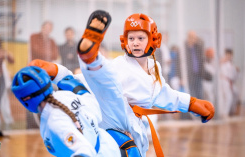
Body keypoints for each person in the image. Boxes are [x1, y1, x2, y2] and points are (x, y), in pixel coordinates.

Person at [32, 10, 215, 157]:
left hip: (131, 126)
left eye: (140, 38)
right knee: (106, 82)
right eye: (131, 38)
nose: (135, 43)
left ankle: (90, 59)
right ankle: (91, 58)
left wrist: (192, 103)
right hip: (111, 117)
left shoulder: (154, 66)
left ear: (153, 40)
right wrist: (56, 72)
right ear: (124, 41)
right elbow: (91, 82)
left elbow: (164, 94)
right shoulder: (120, 65)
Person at [11, 66, 121, 157]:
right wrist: (80, 89)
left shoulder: (55, 122)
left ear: (26, 100)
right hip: (108, 147)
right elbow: (94, 109)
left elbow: (84, 151)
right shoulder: (66, 95)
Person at [219, 49, 239, 119]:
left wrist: (236, 71)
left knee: (236, 93)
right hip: (224, 81)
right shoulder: (222, 61)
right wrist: (222, 60)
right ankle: (224, 113)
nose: (229, 56)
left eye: (230, 55)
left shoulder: (231, 64)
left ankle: (232, 111)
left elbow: (234, 75)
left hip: (230, 82)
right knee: (228, 96)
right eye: (227, 55)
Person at [185, 30, 205, 99]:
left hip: (198, 74)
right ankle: (192, 110)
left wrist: (197, 38)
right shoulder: (184, 48)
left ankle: (199, 110)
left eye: (195, 37)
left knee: (200, 94)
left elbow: (202, 42)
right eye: (192, 37)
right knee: (192, 95)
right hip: (189, 76)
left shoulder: (198, 47)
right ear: (188, 38)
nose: (194, 39)